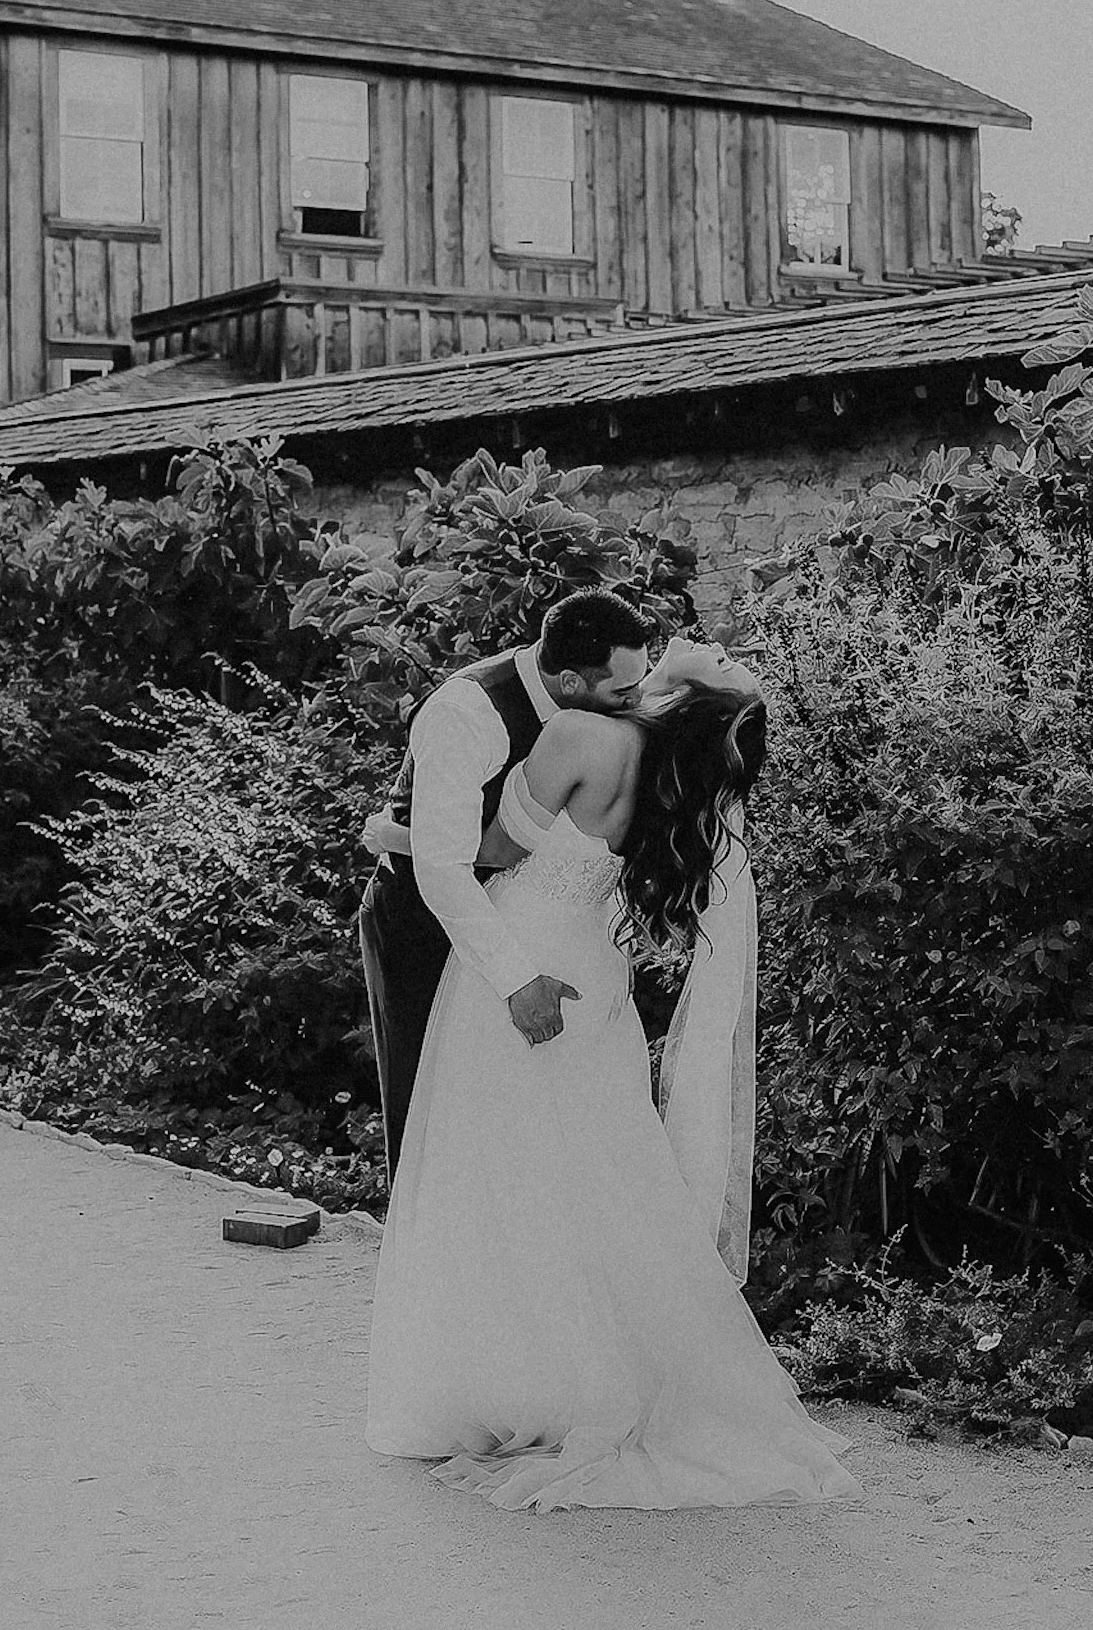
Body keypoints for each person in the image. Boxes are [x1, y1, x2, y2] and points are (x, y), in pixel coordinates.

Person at [365, 638, 861, 1512]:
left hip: (521, 967)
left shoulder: (582, 736)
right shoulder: (681, 779)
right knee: (597, 1178)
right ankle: (595, 1378)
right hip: (594, 976)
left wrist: (391, 834)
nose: (703, 645)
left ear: (685, 694)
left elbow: (491, 851)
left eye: (708, 661)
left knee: (502, 1175)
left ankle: (523, 1387)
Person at [358, 588, 657, 1179]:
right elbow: (443, 869)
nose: (637, 700)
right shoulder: (467, 714)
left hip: (522, 919)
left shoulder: (589, 716)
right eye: (623, 691)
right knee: (429, 1115)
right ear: (570, 681)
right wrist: (517, 979)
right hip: (424, 922)